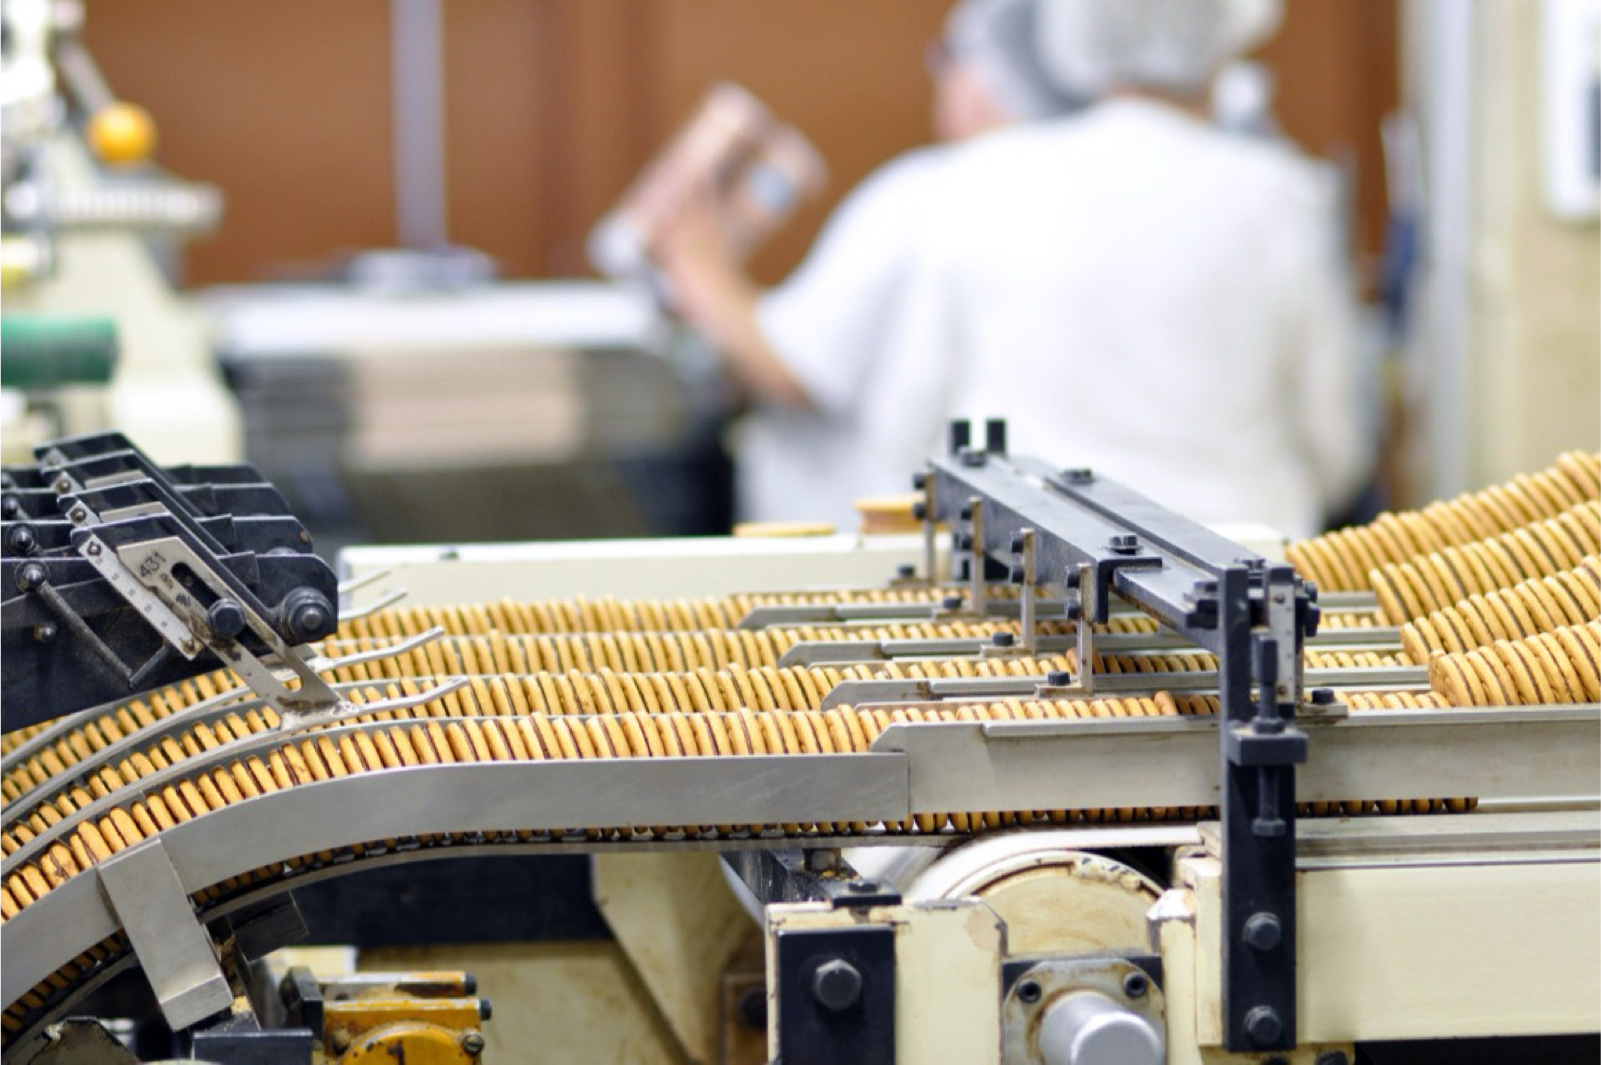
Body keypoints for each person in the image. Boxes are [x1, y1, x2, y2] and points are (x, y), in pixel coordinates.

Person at [655, 0, 1371, 540]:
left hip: (1029, 586)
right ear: (1227, 39)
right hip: (1240, 580)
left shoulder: (982, 180)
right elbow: (1335, 441)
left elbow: (906, 424)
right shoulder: (1282, 198)